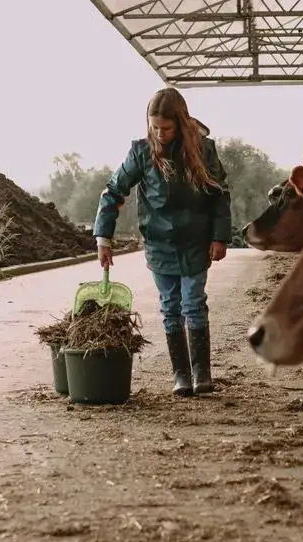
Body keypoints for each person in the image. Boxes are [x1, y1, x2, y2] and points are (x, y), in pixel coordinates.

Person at [93, 88, 232, 397]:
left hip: (196, 241)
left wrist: (220, 236)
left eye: (166, 128)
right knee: (170, 307)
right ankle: (180, 374)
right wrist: (103, 237)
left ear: (181, 123)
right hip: (159, 243)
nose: (159, 133)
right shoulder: (141, 153)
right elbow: (114, 191)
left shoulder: (204, 151)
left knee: (193, 303)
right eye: (154, 127)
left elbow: (220, 195)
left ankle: (201, 372)